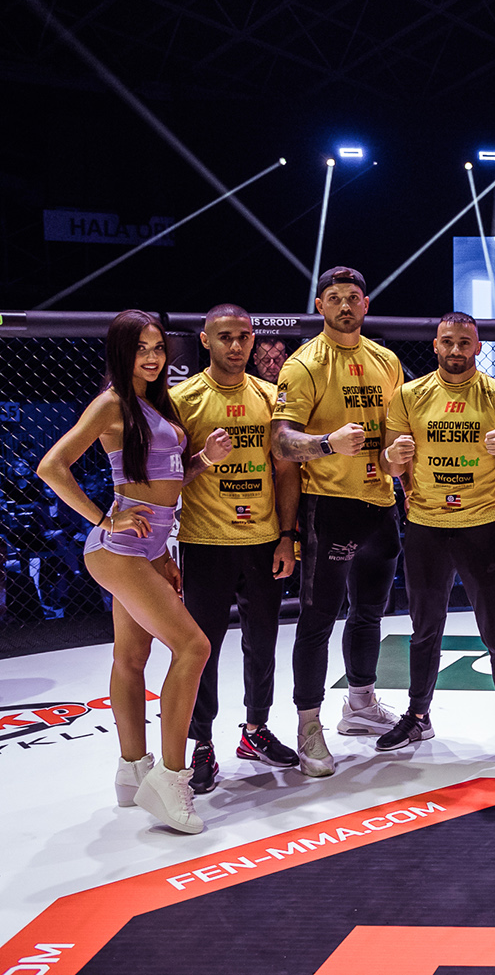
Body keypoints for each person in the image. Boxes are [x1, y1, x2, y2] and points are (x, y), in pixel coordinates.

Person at [37, 310, 230, 833]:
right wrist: (104, 517)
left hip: (147, 550)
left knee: (131, 657)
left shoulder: (153, 403)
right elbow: (52, 466)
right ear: (121, 352)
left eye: (158, 348)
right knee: (193, 647)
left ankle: (132, 771)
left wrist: (204, 460)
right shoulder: (112, 402)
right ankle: (170, 779)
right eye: (141, 348)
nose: (152, 357)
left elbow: (164, 484)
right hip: (117, 548)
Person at [380, 312, 495, 770]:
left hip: (481, 526)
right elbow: (389, 465)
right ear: (435, 345)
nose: (455, 350)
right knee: (424, 630)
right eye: (447, 342)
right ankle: (417, 716)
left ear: (477, 347)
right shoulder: (409, 395)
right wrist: (392, 454)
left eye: (464, 343)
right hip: (426, 526)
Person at [270, 266, 406, 777]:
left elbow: (398, 431)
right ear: (320, 306)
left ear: (365, 305)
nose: (344, 306)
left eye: (352, 297)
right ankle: (308, 725)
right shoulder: (304, 364)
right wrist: (327, 443)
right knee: (318, 618)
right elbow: (281, 441)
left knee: (370, 611)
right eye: (334, 298)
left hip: (380, 501)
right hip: (329, 505)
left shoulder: (386, 360)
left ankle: (360, 705)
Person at [170, 304, 301, 795]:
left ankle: (256, 730)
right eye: (225, 336)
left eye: (244, 336)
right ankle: (201, 742)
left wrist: (287, 535)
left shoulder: (269, 396)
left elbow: (285, 471)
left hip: (264, 539)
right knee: (201, 648)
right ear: (205, 340)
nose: (236, 345)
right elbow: (168, 478)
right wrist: (206, 459)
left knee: (263, 641)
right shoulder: (182, 399)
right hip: (205, 540)